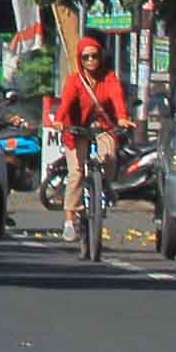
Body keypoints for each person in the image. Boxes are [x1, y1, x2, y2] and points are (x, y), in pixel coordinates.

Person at [46, 34, 130, 244]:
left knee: (109, 155)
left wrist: (122, 118)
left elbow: (117, 98)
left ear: (101, 57)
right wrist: (59, 120)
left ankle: (104, 187)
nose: (91, 61)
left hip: (103, 127)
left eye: (94, 56)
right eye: (86, 57)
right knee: (76, 172)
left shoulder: (109, 78)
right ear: (80, 60)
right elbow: (65, 103)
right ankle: (69, 220)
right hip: (76, 129)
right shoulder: (75, 81)